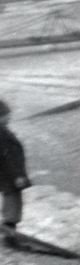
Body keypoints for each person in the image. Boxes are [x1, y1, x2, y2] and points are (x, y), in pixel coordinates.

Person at [0, 100, 28, 248]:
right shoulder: (2, 133)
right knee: (12, 204)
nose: (9, 118)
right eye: (6, 115)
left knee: (11, 203)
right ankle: (9, 237)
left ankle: (9, 234)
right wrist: (18, 176)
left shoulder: (3, 131)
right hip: (10, 176)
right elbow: (9, 157)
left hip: (7, 175)